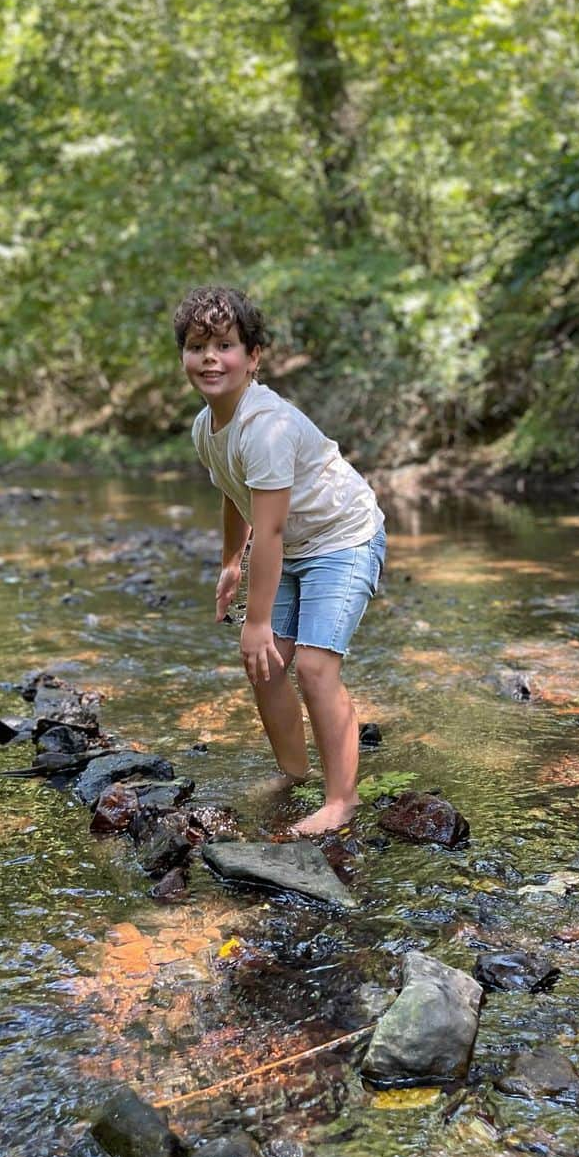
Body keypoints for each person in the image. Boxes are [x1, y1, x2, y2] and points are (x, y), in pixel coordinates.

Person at [173, 285, 386, 836]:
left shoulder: (266, 426)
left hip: (342, 538)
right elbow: (234, 493)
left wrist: (258, 621)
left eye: (225, 345)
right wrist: (229, 562)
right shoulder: (207, 427)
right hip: (292, 545)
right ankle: (294, 775)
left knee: (314, 669)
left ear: (253, 357)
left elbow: (267, 529)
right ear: (184, 357)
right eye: (198, 346)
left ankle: (341, 801)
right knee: (265, 667)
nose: (211, 358)